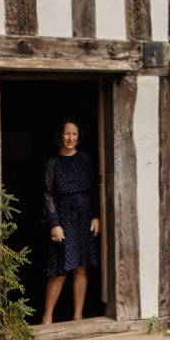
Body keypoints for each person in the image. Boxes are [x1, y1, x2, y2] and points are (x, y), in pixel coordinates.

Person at [42, 119, 100, 325]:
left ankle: (78, 316)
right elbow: (48, 194)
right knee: (61, 269)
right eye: (67, 134)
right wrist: (54, 223)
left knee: (81, 268)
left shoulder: (85, 159)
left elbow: (94, 189)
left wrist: (96, 215)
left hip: (84, 218)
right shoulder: (53, 163)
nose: (70, 138)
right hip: (63, 217)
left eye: (74, 134)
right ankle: (47, 317)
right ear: (60, 136)